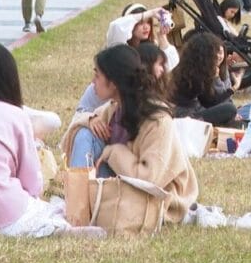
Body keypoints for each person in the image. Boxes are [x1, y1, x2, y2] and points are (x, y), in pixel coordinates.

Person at [0, 44, 99, 238]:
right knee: (54, 210)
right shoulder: (16, 115)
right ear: (10, 78)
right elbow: (32, 183)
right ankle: (61, 230)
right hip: (2, 212)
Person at [61, 45, 198, 226]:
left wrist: (114, 152)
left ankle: (81, 210)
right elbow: (67, 139)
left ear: (114, 83)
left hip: (156, 196)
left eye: (97, 75)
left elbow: (150, 180)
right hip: (122, 184)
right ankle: (78, 208)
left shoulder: (157, 120)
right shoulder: (114, 107)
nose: (93, 82)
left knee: (90, 139)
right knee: (84, 133)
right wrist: (90, 119)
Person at [76, 4, 179, 114]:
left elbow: (169, 64)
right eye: (140, 23)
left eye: (148, 22)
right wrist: (150, 13)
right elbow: (117, 26)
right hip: (96, 109)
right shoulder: (118, 47)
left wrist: (162, 37)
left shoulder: (149, 49)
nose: (146, 27)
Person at [170, 33, 238, 126]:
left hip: (188, 113)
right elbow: (209, 102)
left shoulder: (186, 68)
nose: (218, 57)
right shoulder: (194, 74)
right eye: (214, 53)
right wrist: (233, 89)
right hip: (186, 118)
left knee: (228, 111)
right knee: (230, 110)